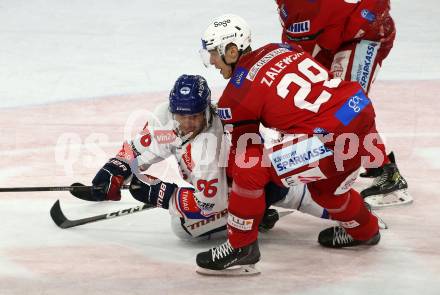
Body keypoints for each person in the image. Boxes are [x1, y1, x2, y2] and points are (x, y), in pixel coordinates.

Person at [196, 13, 390, 275]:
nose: (211, 61)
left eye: (213, 53)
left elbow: (247, 151)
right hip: (357, 111)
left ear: (231, 51)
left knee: (247, 168)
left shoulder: (235, 98)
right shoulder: (280, 48)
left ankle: (241, 246)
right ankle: (365, 231)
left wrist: (242, 196)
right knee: (326, 191)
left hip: (329, 135)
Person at [86, 74, 330, 241]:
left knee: (181, 228)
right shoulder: (166, 116)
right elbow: (139, 149)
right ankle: (261, 213)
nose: (187, 123)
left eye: (194, 116)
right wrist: (114, 169)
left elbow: (209, 205)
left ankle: (257, 214)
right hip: (250, 180)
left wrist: (162, 195)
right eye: (181, 115)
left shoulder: (208, 148)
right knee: (328, 200)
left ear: (206, 109)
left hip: (259, 188)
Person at [273, 0, 410, 206]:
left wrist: (361, 23)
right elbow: (296, 38)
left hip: (364, 34)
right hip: (330, 38)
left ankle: (387, 172)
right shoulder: (288, 7)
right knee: (321, 102)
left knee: (348, 108)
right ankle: (375, 161)